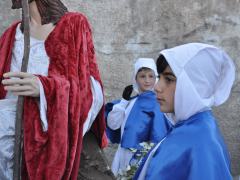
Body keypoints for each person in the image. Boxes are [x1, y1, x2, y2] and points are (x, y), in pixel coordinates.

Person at [0, 0, 107, 179]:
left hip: (56, 145)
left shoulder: (73, 24)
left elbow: (90, 91)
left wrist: (44, 88)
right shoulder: (11, 35)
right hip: (10, 150)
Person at [134, 43, 235, 180]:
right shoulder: (194, 126)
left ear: (194, 86)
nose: (157, 87)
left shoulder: (198, 141)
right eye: (160, 77)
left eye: (169, 79)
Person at [106, 58, 168, 176]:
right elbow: (113, 125)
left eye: (151, 76)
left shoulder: (158, 103)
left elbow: (160, 134)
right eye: (142, 76)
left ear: (156, 78)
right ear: (135, 78)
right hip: (123, 153)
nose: (147, 80)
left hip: (140, 157)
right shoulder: (130, 102)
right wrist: (124, 101)